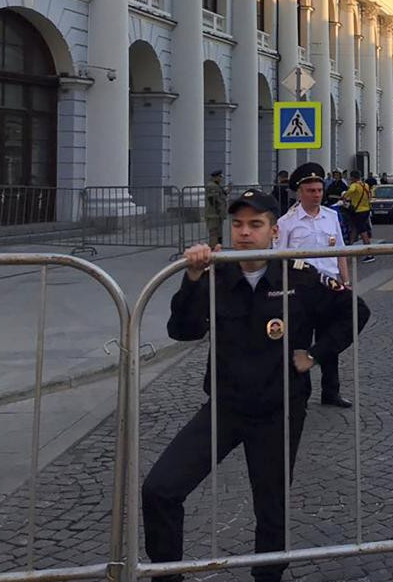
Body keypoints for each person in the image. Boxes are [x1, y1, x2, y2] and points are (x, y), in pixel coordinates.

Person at [141, 189, 371, 582]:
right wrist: (192, 277)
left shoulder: (300, 275)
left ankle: (268, 577)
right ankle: (168, 576)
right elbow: (183, 330)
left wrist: (316, 354)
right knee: (160, 489)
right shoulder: (218, 273)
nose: (244, 233)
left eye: (254, 224)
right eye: (237, 224)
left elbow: (355, 312)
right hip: (225, 407)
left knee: (271, 509)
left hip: (278, 410)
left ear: (274, 230)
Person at [275, 163, 356, 409]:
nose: (317, 194)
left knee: (330, 342)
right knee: (299, 342)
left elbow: (341, 251)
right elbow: (278, 260)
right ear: (300, 192)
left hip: (330, 289)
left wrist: (346, 281)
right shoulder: (286, 222)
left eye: (320, 189)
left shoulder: (332, 216)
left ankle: (331, 392)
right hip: (301, 292)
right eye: (311, 190)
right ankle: (301, 394)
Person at [341, 171, 376, 264]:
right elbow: (370, 195)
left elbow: (350, 191)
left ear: (353, 178)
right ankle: (350, 248)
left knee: (362, 231)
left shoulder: (354, 185)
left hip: (358, 211)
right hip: (366, 209)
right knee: (355, 228)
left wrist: (344, 196)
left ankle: (369, 253)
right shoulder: (366, 185)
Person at [204, 170, 227, 247]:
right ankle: (213, 250)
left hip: (217, 214)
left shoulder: (216, 185)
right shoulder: (212, 185)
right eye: (220, 177)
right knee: (214, 232)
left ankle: (218, 248)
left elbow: (222, 195)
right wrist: (219, 210)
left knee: (218, 233)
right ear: (215, 177)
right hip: (213, 214)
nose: (221, 179)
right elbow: (213, 200)